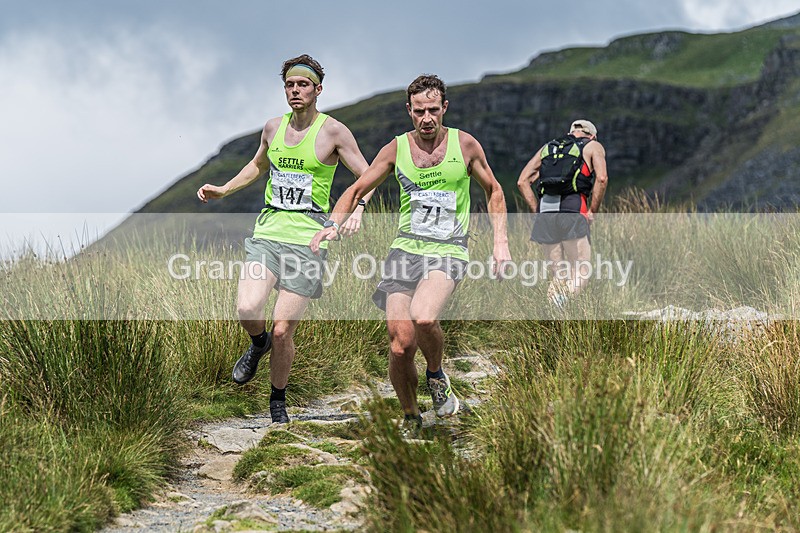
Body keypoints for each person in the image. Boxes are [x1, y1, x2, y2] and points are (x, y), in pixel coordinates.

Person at [310, 74, 511, 429]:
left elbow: (494, 190)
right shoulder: (396, 149)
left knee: (423, 316)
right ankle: (411, 416)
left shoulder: (464, 146)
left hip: (448, 248)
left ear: (445, 108)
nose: (427, 118)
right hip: (404, 251)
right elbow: (357, 189)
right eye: (420, 111)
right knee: (400, 344)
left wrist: (500, 244)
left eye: (434, 110)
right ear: (410, 111)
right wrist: (333, 225)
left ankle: (436, 375)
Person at [196, 54, 373, 424]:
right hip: (268, 233)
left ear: (318, 90)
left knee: (282, 330)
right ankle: (255, 344)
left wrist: (358, 209)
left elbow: (368, 174)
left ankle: (277, 404)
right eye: (290, 85)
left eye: (303, 85)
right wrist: (225, 189)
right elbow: (259, 164)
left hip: (308, 241)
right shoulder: (273, 128)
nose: (295, 91)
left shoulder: (334, 133)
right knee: (247, 309)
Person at [516, 119, 608, 307]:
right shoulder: (593, 146)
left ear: (570, 132)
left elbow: (522, 181)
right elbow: (602, 178)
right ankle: (561, 304)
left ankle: (553, 316)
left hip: (546, 213)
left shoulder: (549, 147)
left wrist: (537, 210)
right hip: (573, 209)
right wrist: (593, 211)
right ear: (592, 135)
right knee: (581, 270)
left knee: (558, 275)